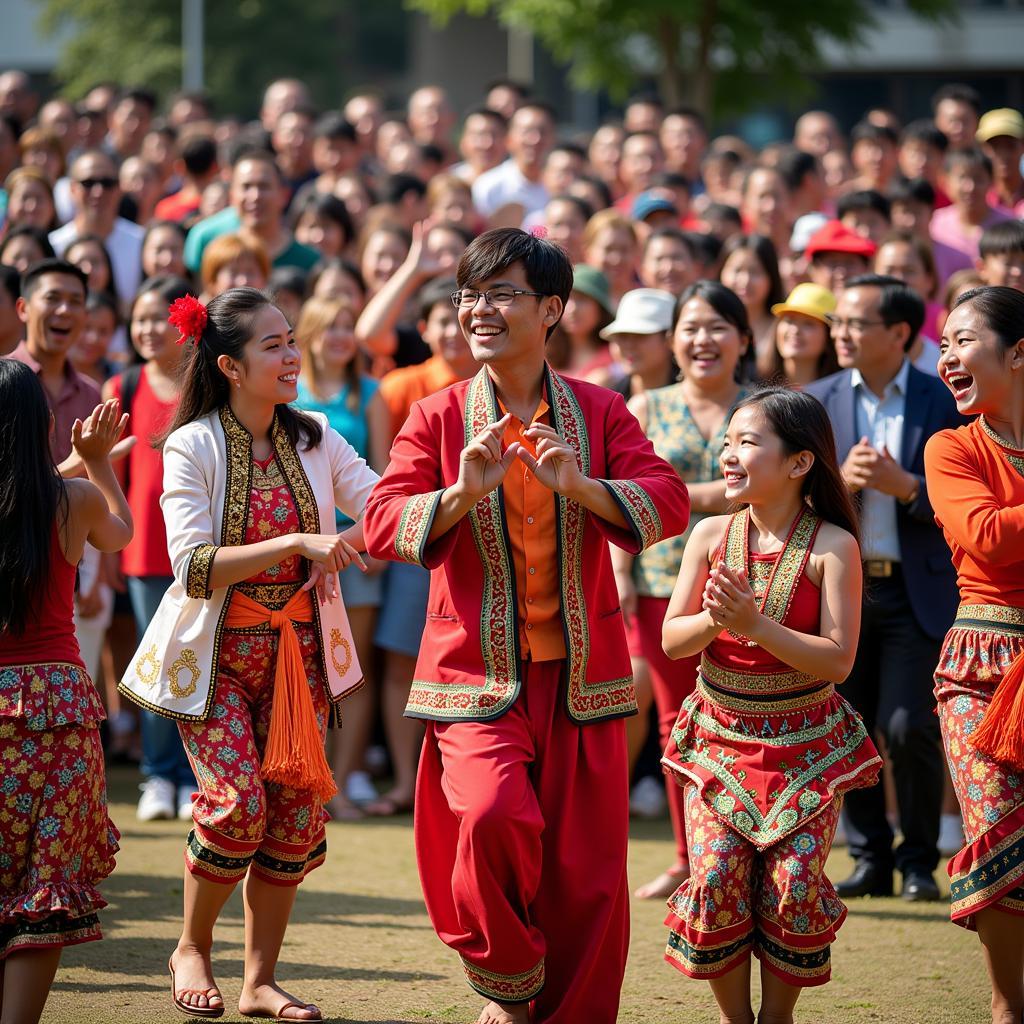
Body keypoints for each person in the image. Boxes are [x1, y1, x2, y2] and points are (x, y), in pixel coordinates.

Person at [363, 228, 690, 1024]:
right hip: (474, 674)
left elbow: (669, 499)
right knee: (490, 814)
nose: (478, 310)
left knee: (587, 881)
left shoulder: (600, 409)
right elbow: (380, 521)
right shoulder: (436, 415)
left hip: (585, 677)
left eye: (501, 293)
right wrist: (459, 497)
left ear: (553, 310)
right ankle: (510, 985)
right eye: (470, 294)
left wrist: (581, 484)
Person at [118, 287, 379, 1021]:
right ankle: (191, 947)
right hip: (213, 662)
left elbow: (383, 507)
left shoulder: (318, 437)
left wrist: (459, 490)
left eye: (292, 339)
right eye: (274, 345)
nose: (293, 354)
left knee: (294, 816)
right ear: (229, 365)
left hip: (301, 657)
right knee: (236, 808)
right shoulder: (190, 444)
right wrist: (301, 543)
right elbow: (192, 567)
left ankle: (260, 979)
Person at [660, 387, 880, 1022]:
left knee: (793, 886)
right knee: (715, 875)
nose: (730, 456)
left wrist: (755, 626)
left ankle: (777, 1019)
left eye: (747, 443)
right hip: (719, 738)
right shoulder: (708, 535)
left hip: (805, 744)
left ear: (800, 463)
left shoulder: (834, 545)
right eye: (728, 442)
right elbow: (675, 641)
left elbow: (838, 660)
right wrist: (716, 620)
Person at [807, 274, 965, 902]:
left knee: (907, 727)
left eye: (855, 323)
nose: (840, 333)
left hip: (914, 592)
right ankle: (870, 857)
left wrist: (908, 488)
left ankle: (921, 862)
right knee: (851, 726)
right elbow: (794, 496)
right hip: (841, 590)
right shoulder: (814, 402)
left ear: (900, 333)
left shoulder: (944, 399)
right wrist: (837, 485)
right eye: (837, 323)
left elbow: (967, 497)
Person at [0, 366, 131, 1024]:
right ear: (40, 425)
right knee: (43, 883)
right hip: (55, 703)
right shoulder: (71, 500)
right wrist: (101, 464)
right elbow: (121, 533)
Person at [617, 280, 753, 901]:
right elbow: (621, 497)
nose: (704, 340)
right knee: (677, 726)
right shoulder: (645, 407)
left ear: (744, 340)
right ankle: (687, 855)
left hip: (749, 583)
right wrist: (619, 573)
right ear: (672, 342)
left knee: (747, 717)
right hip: (658, 582)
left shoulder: (764, 408)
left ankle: (746, 851)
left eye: (718, 327)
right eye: (691, 328)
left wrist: (689, 497)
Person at [924, 285, 1024, 1024]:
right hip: (982, 665)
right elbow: (986, 538)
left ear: (1018, 353)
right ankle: (1007, 1003)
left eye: (963, 340)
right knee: (993, 826)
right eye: (944, 344)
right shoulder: (950, 446)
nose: (947, 357)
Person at [104, 276, 198, 822]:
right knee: (155, 663)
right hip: (142, 553)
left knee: (199, 661)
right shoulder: (124, 386)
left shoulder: (207, 383)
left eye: (156, 320)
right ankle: (157, 775)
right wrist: (111, 559)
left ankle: (193, 776)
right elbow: (107, 477)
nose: (144, 330)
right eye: (137, 319)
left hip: (204, 551)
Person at [293, 295, 389, 819]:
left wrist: (345, 544)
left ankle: (342, 784)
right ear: (308, 330)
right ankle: (307, 780)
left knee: (353, 669)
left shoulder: (369, 393)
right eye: (331, 324)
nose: (341, 335)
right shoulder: (287, 393)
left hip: (357, 554)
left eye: (349, 325)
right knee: (307, 666)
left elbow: (383, 488)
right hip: (296, 559)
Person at [719, 234, 785, 378]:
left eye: (755, 272)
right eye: (737, 271)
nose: (745, 281)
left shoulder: (783, 327)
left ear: (771, 277)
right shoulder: (710, 325)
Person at [768, 281, 838, 387]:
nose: (795, 330)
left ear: (829, 336)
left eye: (808, 324)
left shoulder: (844, 395)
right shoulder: (754, 387)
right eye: (789, 321)